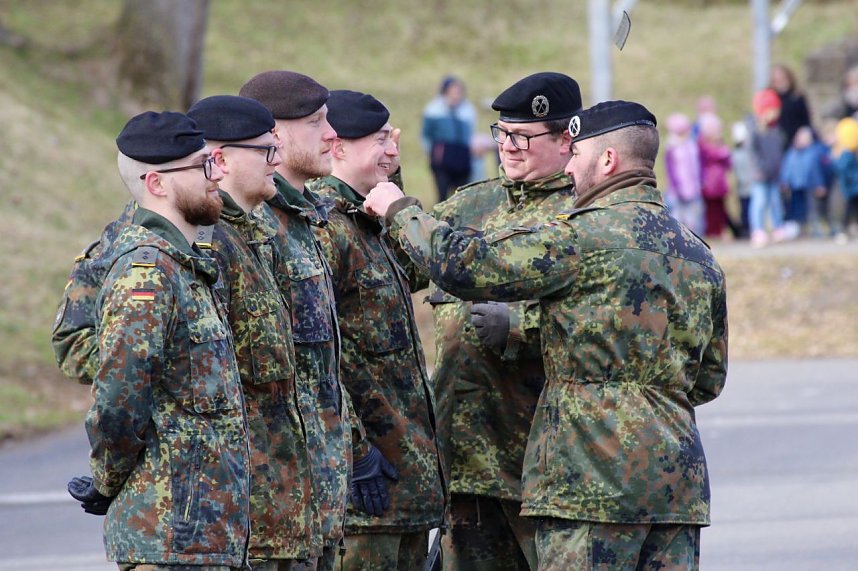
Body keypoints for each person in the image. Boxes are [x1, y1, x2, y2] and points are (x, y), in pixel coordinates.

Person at [364, 99, 728, 571]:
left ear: (608, 160)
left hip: (589, 482)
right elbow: (709, 378)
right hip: (676, 487)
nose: (569, 169)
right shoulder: (697, 252)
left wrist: (399, 210)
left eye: (576, 155)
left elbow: (469, 267)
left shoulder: (580, 237)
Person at [66, 111, 252, 569]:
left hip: (208, 535)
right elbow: (118, 401)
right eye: (202, 166)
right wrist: (107, 479)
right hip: (168, 536)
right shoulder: (146, 274)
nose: (216, 176)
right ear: (156, 183)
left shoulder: (188, 266)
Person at [421, 71, 581, 571]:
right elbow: (397, 265)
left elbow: (604, 316)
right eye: (502, 134)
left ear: (565, 139)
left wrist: (520, 324)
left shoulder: (582, 213)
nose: (507, 147)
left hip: (539, 464)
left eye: (523, 137)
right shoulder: (470, 203)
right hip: (464, 457)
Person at [307, 89, 445, 570]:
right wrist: (354, 451)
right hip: (367, 488)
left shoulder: (366, 218)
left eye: (392, 138)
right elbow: (317, 361)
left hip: (405, 480)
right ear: (338, 147)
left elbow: (420, 268)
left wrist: (393, 189)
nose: (392, 149)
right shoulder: (325, 227)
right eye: (379, 140)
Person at [187, 94, 322, 569]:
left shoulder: (258, 236)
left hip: (284, 507)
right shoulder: (205, 245)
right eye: (266, 151)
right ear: (220, 160)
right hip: (238, 513)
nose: (277, 161)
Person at [239, 70, 352, 571]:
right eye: (316, 123)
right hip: (267, 507)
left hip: (317, 500)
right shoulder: (246, 226)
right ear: (275, 135)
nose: (332, 134)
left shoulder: (306, 218)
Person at [422, 75, 477, 202]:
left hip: (462, 157)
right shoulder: (433, 110)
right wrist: (430, 153)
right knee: (442, 195)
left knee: (462, 195)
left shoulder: (467, 110)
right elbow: (426, 134)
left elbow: (470, 135)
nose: (456, 95)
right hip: (442, 157)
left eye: (458, 91)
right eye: (453, 91)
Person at [749, 88, 789, 248]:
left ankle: (778, 228)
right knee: (759, 202)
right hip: (760, 175)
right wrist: (759, 169)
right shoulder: (755, 131)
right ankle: (758, 230)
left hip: (774, 174)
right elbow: (752, 154)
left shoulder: (777, 131)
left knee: (775, 202)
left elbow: (779, 152)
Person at [779, 125, 827, 234]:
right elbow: (787, 168)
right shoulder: (792, 152)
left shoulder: (814, 152)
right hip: (795, 186)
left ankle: (815, 229)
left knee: (813, 209)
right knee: (796, 210)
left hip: (810, 185)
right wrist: (784, 181)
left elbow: (817, 171)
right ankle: (799, 229)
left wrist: (820, 184)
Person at [664, 112, 704, 235]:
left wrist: (701, 179)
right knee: (678, 215)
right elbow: (670, 169)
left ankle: (693, 236)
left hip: (693, 186)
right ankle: (678, 236)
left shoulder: (691, 144)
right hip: (678, 188)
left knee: (693, 216)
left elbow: (698, 164)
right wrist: (675, 185)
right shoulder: (672, 146)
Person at [697, 112, 732, 238]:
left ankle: (720, 230)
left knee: (720, 207)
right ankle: (712, 231)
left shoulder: (720, 144)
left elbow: (728, 163)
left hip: (720, 181)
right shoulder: (702, 144)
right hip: (709, 181)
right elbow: (707, 159)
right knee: (710, 208)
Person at [770, 63, 812, 151]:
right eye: (777, 80)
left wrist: (804, 133)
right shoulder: (771, 98)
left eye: (782, 78)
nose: (780, 82)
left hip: (796, 141)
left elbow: (806, 120)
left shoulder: (797, 97)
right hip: (777, 142)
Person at [832, 116, 858, 243]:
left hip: (852, 188)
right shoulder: (846, 156)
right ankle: (843, 231)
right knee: (848, 211)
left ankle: (849, 229)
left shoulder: (849, 155)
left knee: (852, 210)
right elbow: (845, 171)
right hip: (850, 189)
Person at [730, 119, 754, 238]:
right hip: (744, 186)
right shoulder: (738, 154)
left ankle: (749, 229)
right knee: (745, 209)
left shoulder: (746, 153)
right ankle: (746, 229)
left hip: (748, 185)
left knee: (748, 209)